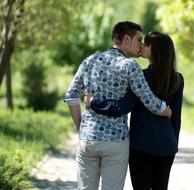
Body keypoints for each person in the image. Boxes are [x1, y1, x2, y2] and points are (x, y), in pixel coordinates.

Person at [64, 22, 172, 190]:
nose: (141, 45)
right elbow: (148, 99)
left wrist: (81, 127)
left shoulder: (89, 61)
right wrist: (165, 109)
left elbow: (71, 96)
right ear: (127, 39)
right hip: (116, 142)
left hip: (88, 139)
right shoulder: (130, 67)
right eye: (139, 40)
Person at [85, 31, 184, 190]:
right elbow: (176, 117)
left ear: (155, 50)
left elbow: (123, 107)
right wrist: (173, 144)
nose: (142, 45)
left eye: (146, 44)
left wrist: (94, 102)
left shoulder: (140, 76)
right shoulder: (178, 78)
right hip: (167, 145)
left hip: (141, 145)